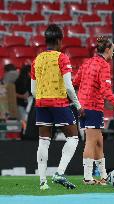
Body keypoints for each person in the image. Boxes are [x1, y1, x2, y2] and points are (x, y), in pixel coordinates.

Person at [31, 24, 83, 190]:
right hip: (59, 103)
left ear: (46, 41)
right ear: (60, 40)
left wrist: (41, 100)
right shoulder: (62, 58)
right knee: (73, 137)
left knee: (43, 142)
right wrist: (78, 105)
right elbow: (68, 86)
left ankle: (42, 182)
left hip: (40, 103)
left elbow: (33, 90)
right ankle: (59, 172)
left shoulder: (36, 60)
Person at [73, 36, 114, 185]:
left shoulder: (86, 63)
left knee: (98, 142)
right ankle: (87, 177)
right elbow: (105, 90)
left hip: (83, 106)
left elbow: (75, 82)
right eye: (113, 50)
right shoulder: (103, 65)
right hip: (92, 106)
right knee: (91, 141)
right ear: (108, 50)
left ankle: (103, 176)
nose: (113, 53)